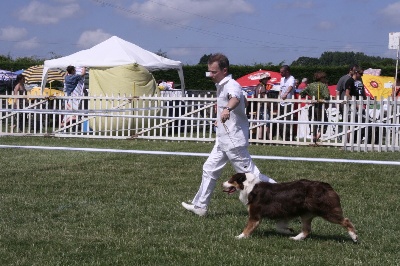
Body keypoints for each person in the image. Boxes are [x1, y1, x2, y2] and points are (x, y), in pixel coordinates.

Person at [181, 53, 276, 216]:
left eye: (213, 72)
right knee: (209, 168)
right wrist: (223, 117)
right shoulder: (224, 84)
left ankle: (283, 195)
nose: (210, 75)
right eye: (209, 71)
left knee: (253, 177)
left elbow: (236, 99)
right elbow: (244, 102)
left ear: (224, 70)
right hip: (223, 139)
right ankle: (200, 207)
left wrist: (227, 109)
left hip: (233, 141)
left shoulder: (231, 85)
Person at [300, 71, 331, 145]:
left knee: (313, 122)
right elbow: (327, 96)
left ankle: (313, 136)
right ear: (321, 78)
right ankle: (317, 136)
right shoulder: (323, 85)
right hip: (320, 106)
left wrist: (309, 95)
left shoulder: (310, 85)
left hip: (312, 106)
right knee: (324, 122)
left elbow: (302, 93)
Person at [278, 65, 296, 141]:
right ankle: (283, 136)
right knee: (281, 120)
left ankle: (288, 137)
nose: (280, 73)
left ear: (287, 72)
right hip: (282, 102)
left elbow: (290, 86)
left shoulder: (292, 79)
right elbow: (280, 89)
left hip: (289, 103)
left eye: (282, 72)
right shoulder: (282, 79)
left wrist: (286, 93)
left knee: (288, 120)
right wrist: (281, 95)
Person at [253, 72, 271, 139]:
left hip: (258, 105)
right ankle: (268, 137)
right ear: (262, 80)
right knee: (267, 122)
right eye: (265, 79)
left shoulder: (257, 86)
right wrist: (269, 106)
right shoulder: (263, 87)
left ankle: (260, 137)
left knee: (260, 122)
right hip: (263, 106)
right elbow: (264, 98)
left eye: (267, 79)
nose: (267, 80)